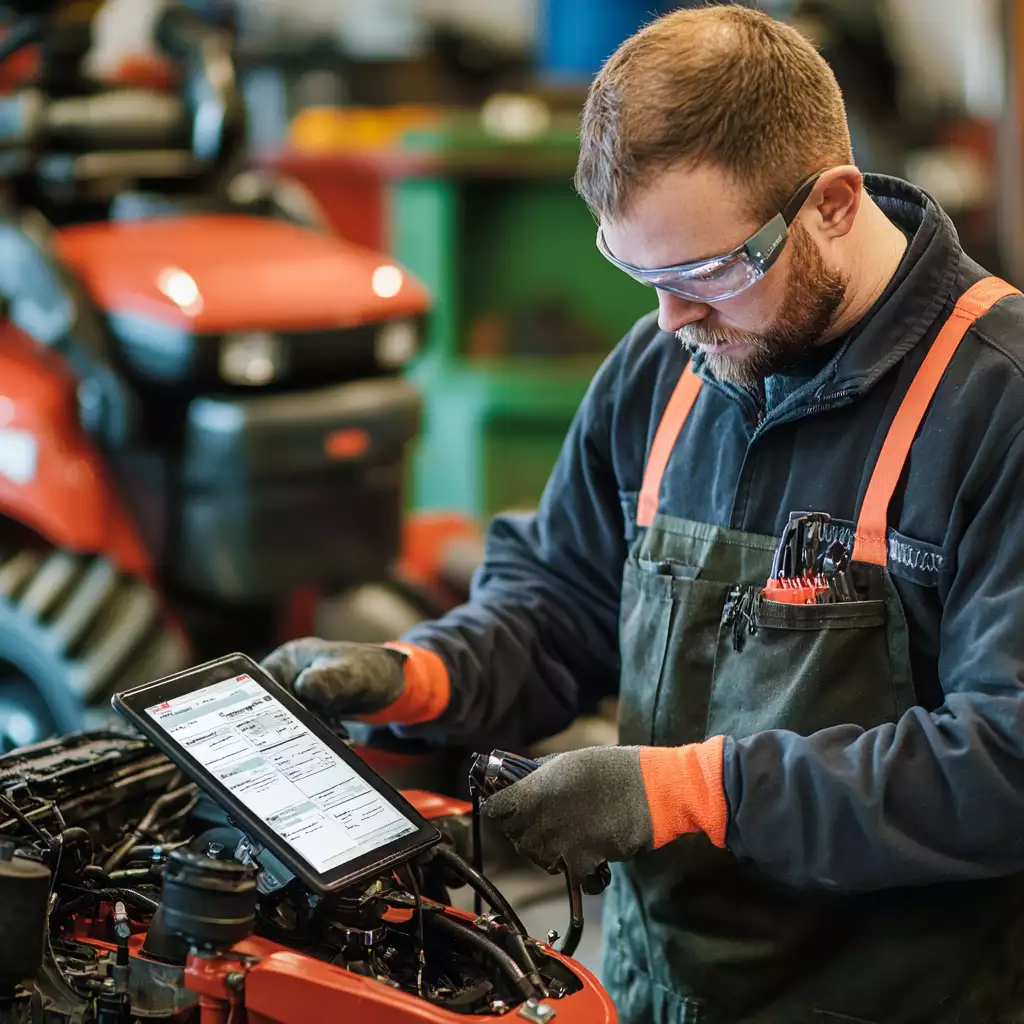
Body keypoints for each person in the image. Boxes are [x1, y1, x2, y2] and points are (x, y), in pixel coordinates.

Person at [261, 6, 1024, 1022]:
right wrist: (416, 676)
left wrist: (684, 792)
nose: (671, 320)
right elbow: (560, 604)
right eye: (642, 277)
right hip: (651, 992)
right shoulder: (667, 363)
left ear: (834, 204)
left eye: (706, 273)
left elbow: (1003, 760)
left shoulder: (996, 404)